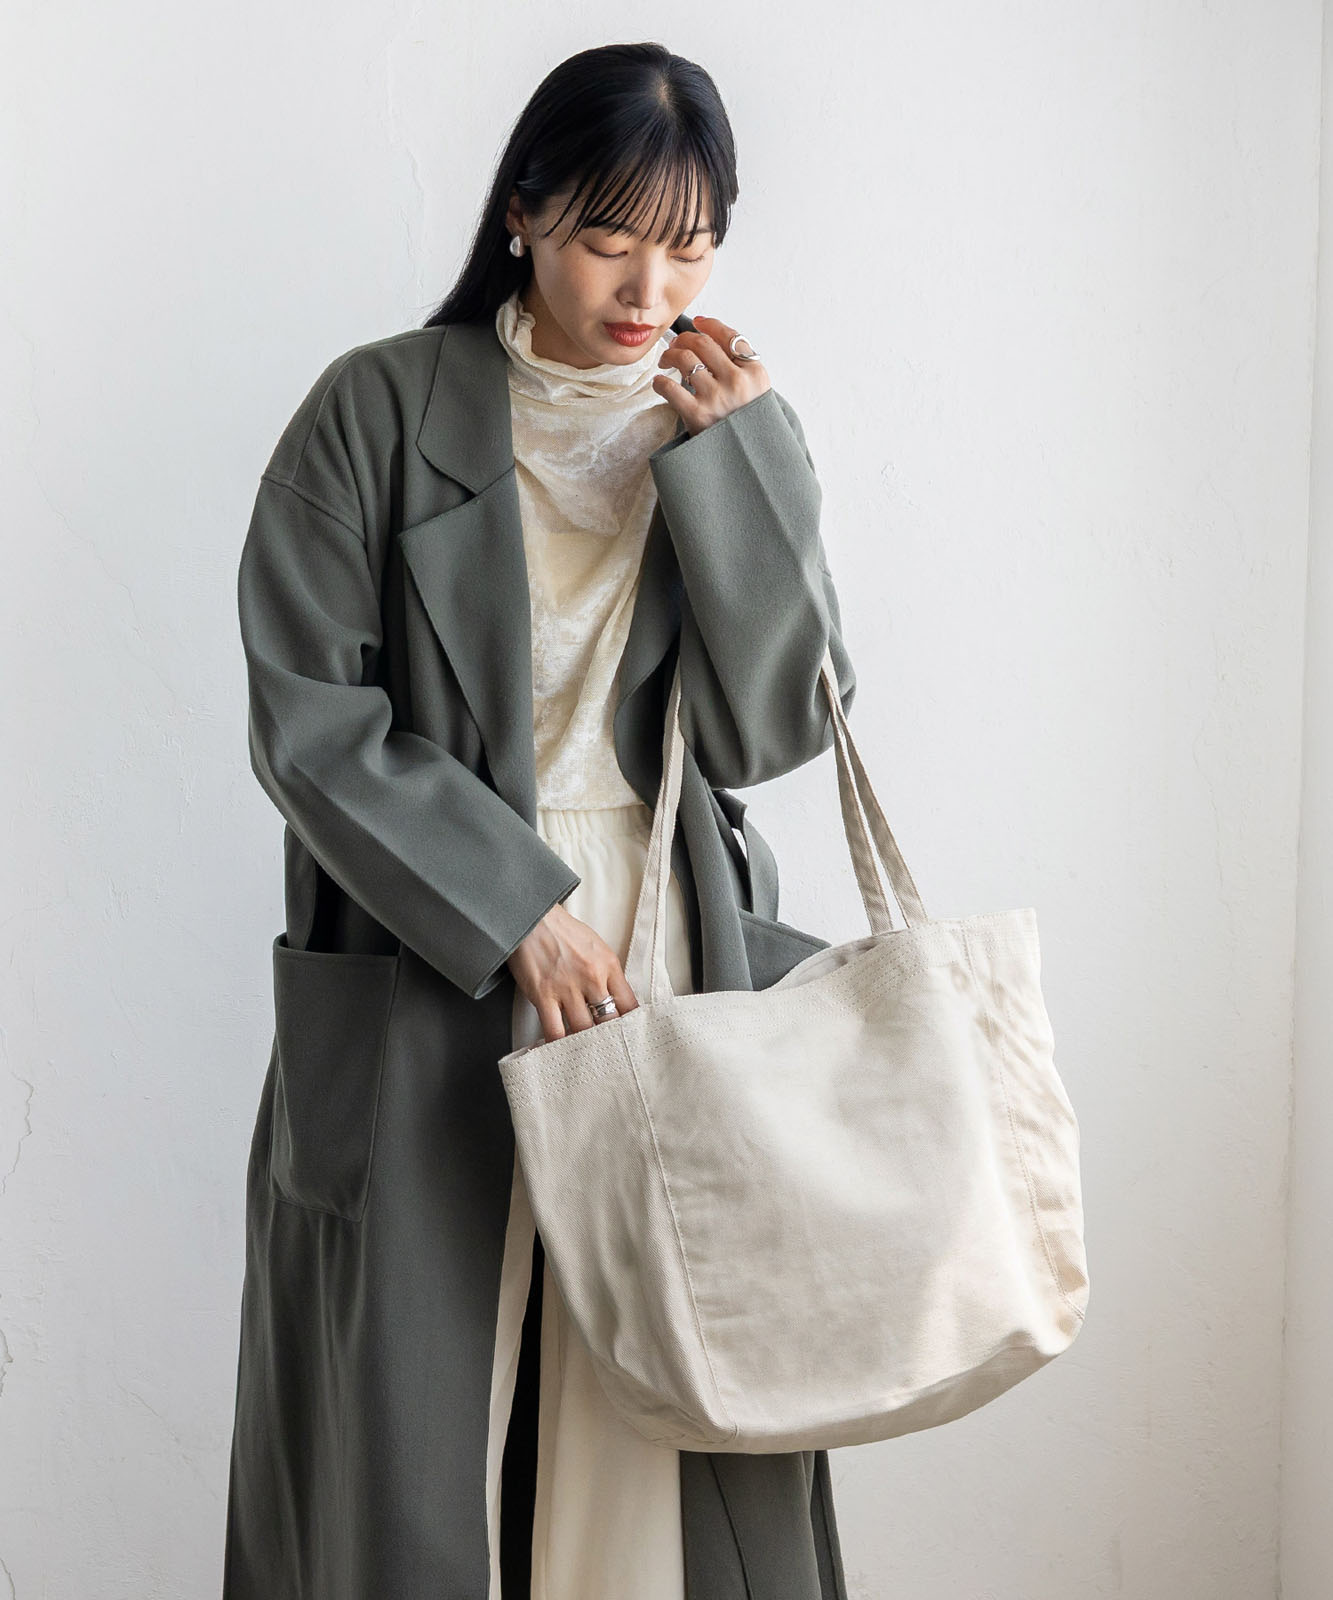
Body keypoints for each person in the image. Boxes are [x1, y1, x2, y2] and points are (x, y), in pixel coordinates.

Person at [223, 40, 856, 1600]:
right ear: (521, 213)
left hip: (663, 944)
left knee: (656, 1385)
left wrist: (743, 473)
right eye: (606, 238)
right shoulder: (375, 409)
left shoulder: (720, 422)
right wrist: (517, 911)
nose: (648, 290)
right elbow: (312, 722)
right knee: (430, 1398)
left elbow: (774, 730)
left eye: (689, 247)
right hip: (436, 932)